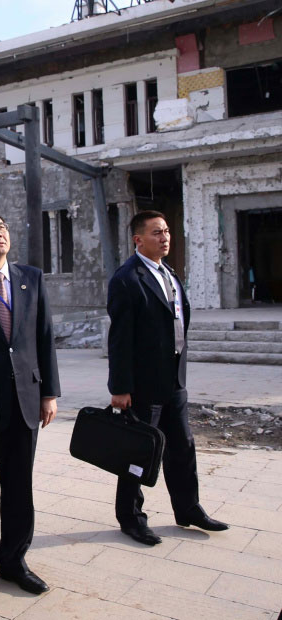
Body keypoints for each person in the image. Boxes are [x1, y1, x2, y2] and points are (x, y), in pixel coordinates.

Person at [108, 210, 228, 546]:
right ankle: (131, 518)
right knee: (139, 453)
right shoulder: (127, 279)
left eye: (167, 231)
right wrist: (119, 388)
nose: (165, 238)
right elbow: (119, 339)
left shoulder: (168, 273)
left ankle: (188, 508)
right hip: (143, 385)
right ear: (138, 239)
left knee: (183, 447)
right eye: (157, 233)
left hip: (174, 380)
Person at [0, 210, 60, 598]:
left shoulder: (30, 278)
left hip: (25, 401)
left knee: (20, 488)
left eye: (0, 227)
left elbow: (44, 336)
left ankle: (16, 561)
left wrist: (48, 392)